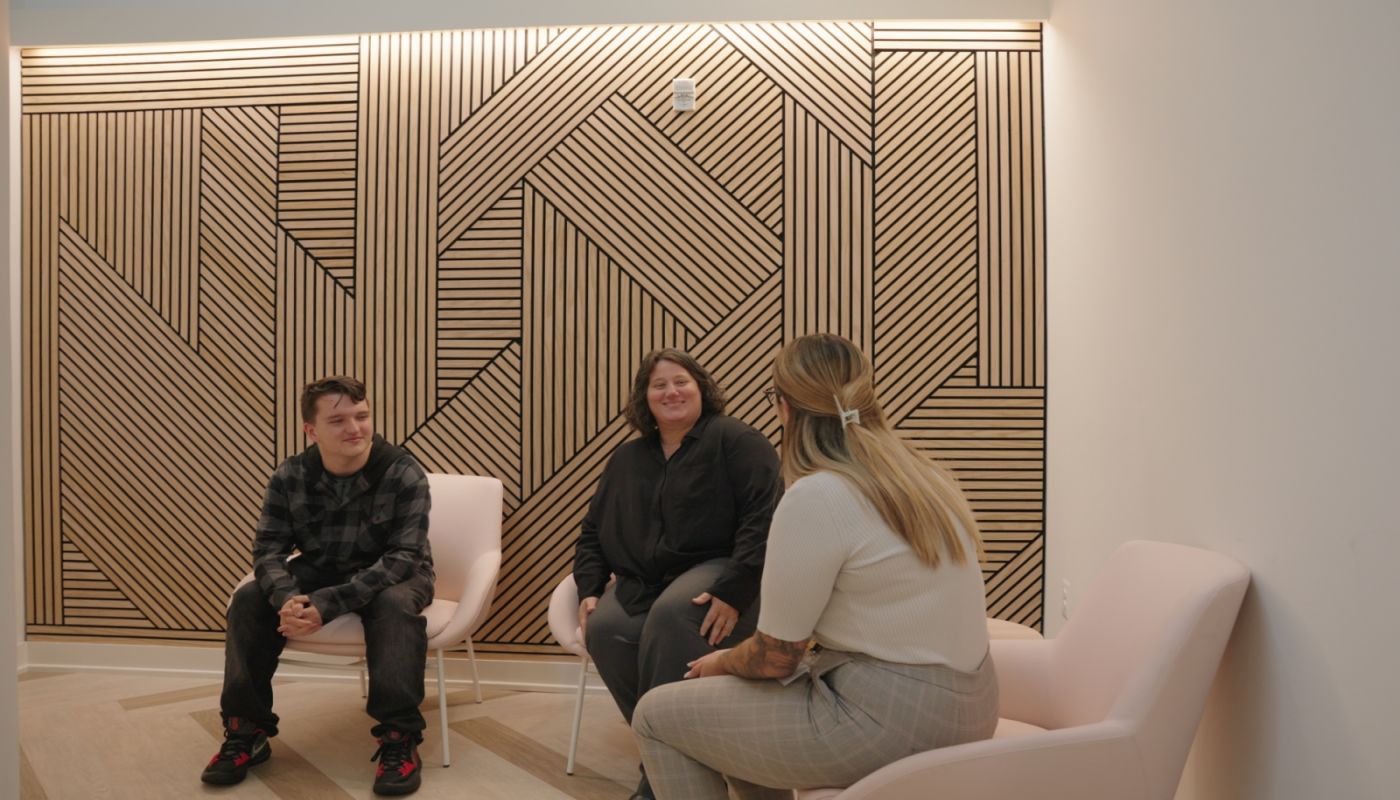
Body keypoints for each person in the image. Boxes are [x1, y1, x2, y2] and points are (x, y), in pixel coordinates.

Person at [631, 334, 999, 799]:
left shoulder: (818, 495)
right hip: (973, 704)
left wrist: (721, 661)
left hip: (893, 719)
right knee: (727, 718)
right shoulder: (923, 475)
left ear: (784, 407)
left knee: (656, 716)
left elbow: (776, 657)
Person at [202, 376, 435, 797]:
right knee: (249, 599)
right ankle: (246, 731)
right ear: (311, 430)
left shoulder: (403, 471)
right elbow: (268, 551)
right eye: (338, 420)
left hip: (395, 571)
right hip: (321, 566)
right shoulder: (290, 475)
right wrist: (288, 600)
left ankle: (399, 739)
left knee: (395, 606)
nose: (355, 428)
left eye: (362, 416)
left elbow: (403, 556)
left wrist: (326, 604)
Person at [574, 348, 783, 800]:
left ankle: (658, 781)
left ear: (701, 389)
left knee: (673, 616)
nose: (671, 392)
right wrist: (589, 588)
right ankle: (675, 752)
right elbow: (592, 530)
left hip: (722, 573)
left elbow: (764, 520)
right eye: (659, 385)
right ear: (644, 398)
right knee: (605, 629)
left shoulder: (736, 441)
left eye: (681, 382)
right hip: (643, 582)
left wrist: (734, 590)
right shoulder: (627, 458)